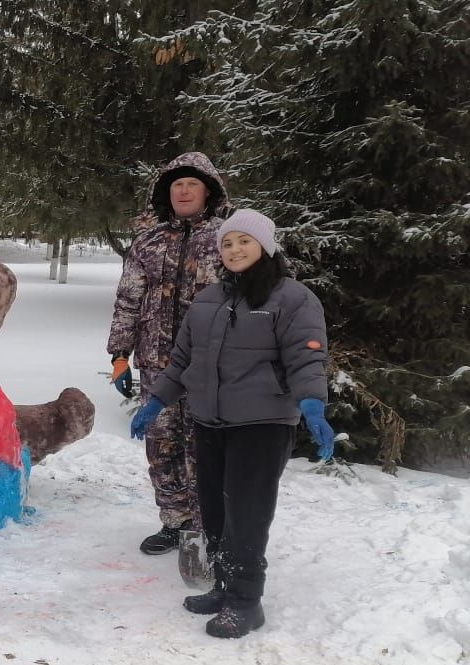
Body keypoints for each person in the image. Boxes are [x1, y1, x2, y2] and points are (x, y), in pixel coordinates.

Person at [131, 209, 334, 638]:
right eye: (227, 243)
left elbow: (306, 357)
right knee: (216, 510)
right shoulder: (208, 300)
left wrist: (313, 404)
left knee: (248, 512)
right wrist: (155, 402)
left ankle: (246, 601)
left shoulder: (293, 298)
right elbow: (184, 360)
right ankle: (223, 587)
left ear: (265, 245)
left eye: (244, 241)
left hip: (262, 423)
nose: (234, 249)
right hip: (211, 422)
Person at [107, 152, 231, 557]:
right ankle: (174, 520)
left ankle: (208, 522)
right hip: (157, 363)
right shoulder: (149, 241)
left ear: (209, 191)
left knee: (204, 444)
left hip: (211, 366)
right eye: (176, 184)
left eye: (192, 183)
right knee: (161, 443)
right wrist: (120, 354)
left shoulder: (226, 239)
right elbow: (128, 298)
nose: (183, 190)